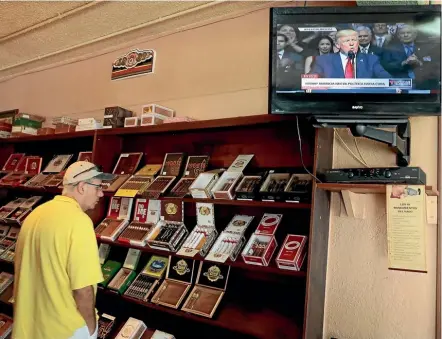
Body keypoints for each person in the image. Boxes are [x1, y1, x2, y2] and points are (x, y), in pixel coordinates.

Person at [13, 161, 113, 339]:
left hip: (28, 327)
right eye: (98, 187)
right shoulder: (79, 221)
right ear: (82, 187)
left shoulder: (35, 214)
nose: (101, 193)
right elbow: (83, 289)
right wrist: (91, 329)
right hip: (65, 330)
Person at [309, 29, 391, 79]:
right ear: (337, 45)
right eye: (347, 41)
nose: (351, 44)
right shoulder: (323, 60)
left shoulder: (371, 59)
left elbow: (387, 79)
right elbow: (309, 82)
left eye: (354, 40)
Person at [382, 24, 440, 89]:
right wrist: (403, 63)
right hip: (400, 84)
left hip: (423, 83)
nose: (405, 35)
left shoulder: (426, 48)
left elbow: (435, 66)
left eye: (408, 33)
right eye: (402, 33)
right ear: (398, 36)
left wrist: (419, 63)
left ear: (415, 35)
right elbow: (386, 67)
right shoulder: (390, 49)